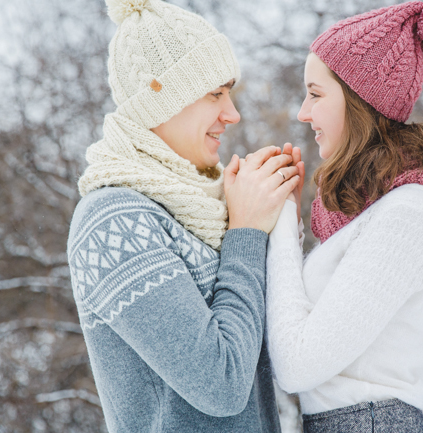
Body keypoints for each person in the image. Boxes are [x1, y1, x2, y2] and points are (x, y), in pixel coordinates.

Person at [66, 0, 299, 431]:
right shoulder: (113, 220)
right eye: (215, 93)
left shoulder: (205, 210)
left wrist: (278, 222)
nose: (233, 113)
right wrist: (246, 232)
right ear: (161, 98)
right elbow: (222, 384)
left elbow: (278, 356)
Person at [264, 0, 423, 431]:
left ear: (359, 100)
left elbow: (297, 366)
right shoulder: (372, 210)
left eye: (316, 93)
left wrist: (282, 226)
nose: (304, 113)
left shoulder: (410, 211)